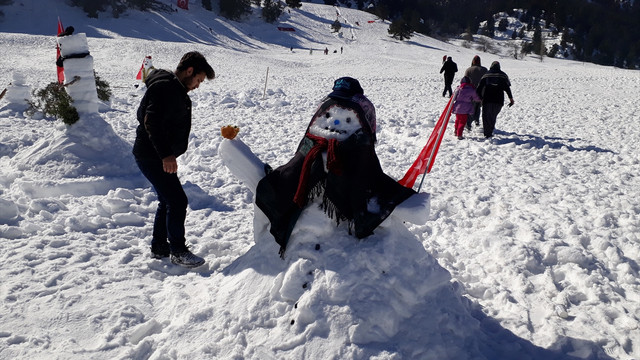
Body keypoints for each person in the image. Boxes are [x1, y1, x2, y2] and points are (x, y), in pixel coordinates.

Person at [133, 51, 215, 268]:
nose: (197, 85)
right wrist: (166, 155)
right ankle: (178, 250)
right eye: (198, 80)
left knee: (167, 200)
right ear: (189, 71)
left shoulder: (173, 88)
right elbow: (151, 122)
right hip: (152, 156)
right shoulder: (166, 88)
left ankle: (160, 246)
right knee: (177, 201)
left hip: (154, 155)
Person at [476, 61, 514, 138]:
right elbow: (507, 88)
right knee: (493, 115)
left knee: (486, 116)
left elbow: (479, 87)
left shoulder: (486, 75)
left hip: (487, 99)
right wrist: (511, 98)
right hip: (499, 100)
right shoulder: (503, 75)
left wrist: (479, 97)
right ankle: (490, 129)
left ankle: (487, 132)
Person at [463, 55, 487, 129]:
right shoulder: (484, 69)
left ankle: (468, 123)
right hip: (482, 92)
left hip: (471, 92)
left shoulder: (469, 70)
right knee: (478, 106)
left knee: (471, 107)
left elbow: (465, 81)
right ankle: (477, 120)